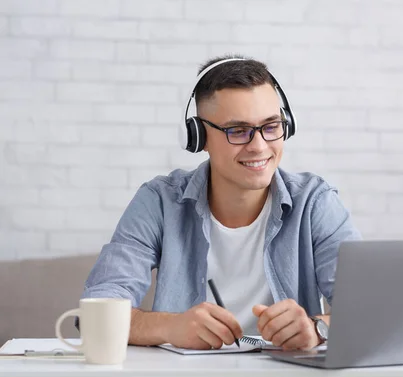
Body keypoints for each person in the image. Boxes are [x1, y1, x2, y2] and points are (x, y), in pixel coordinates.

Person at [81, 55, 361, 351]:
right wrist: (170, 326)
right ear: (198, 137)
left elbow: (367, 307)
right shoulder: (159, 202)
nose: (259, 146)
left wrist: (317, 328)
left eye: (270, 126)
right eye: (237, 131)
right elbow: (97, 310)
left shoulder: (315, 202)